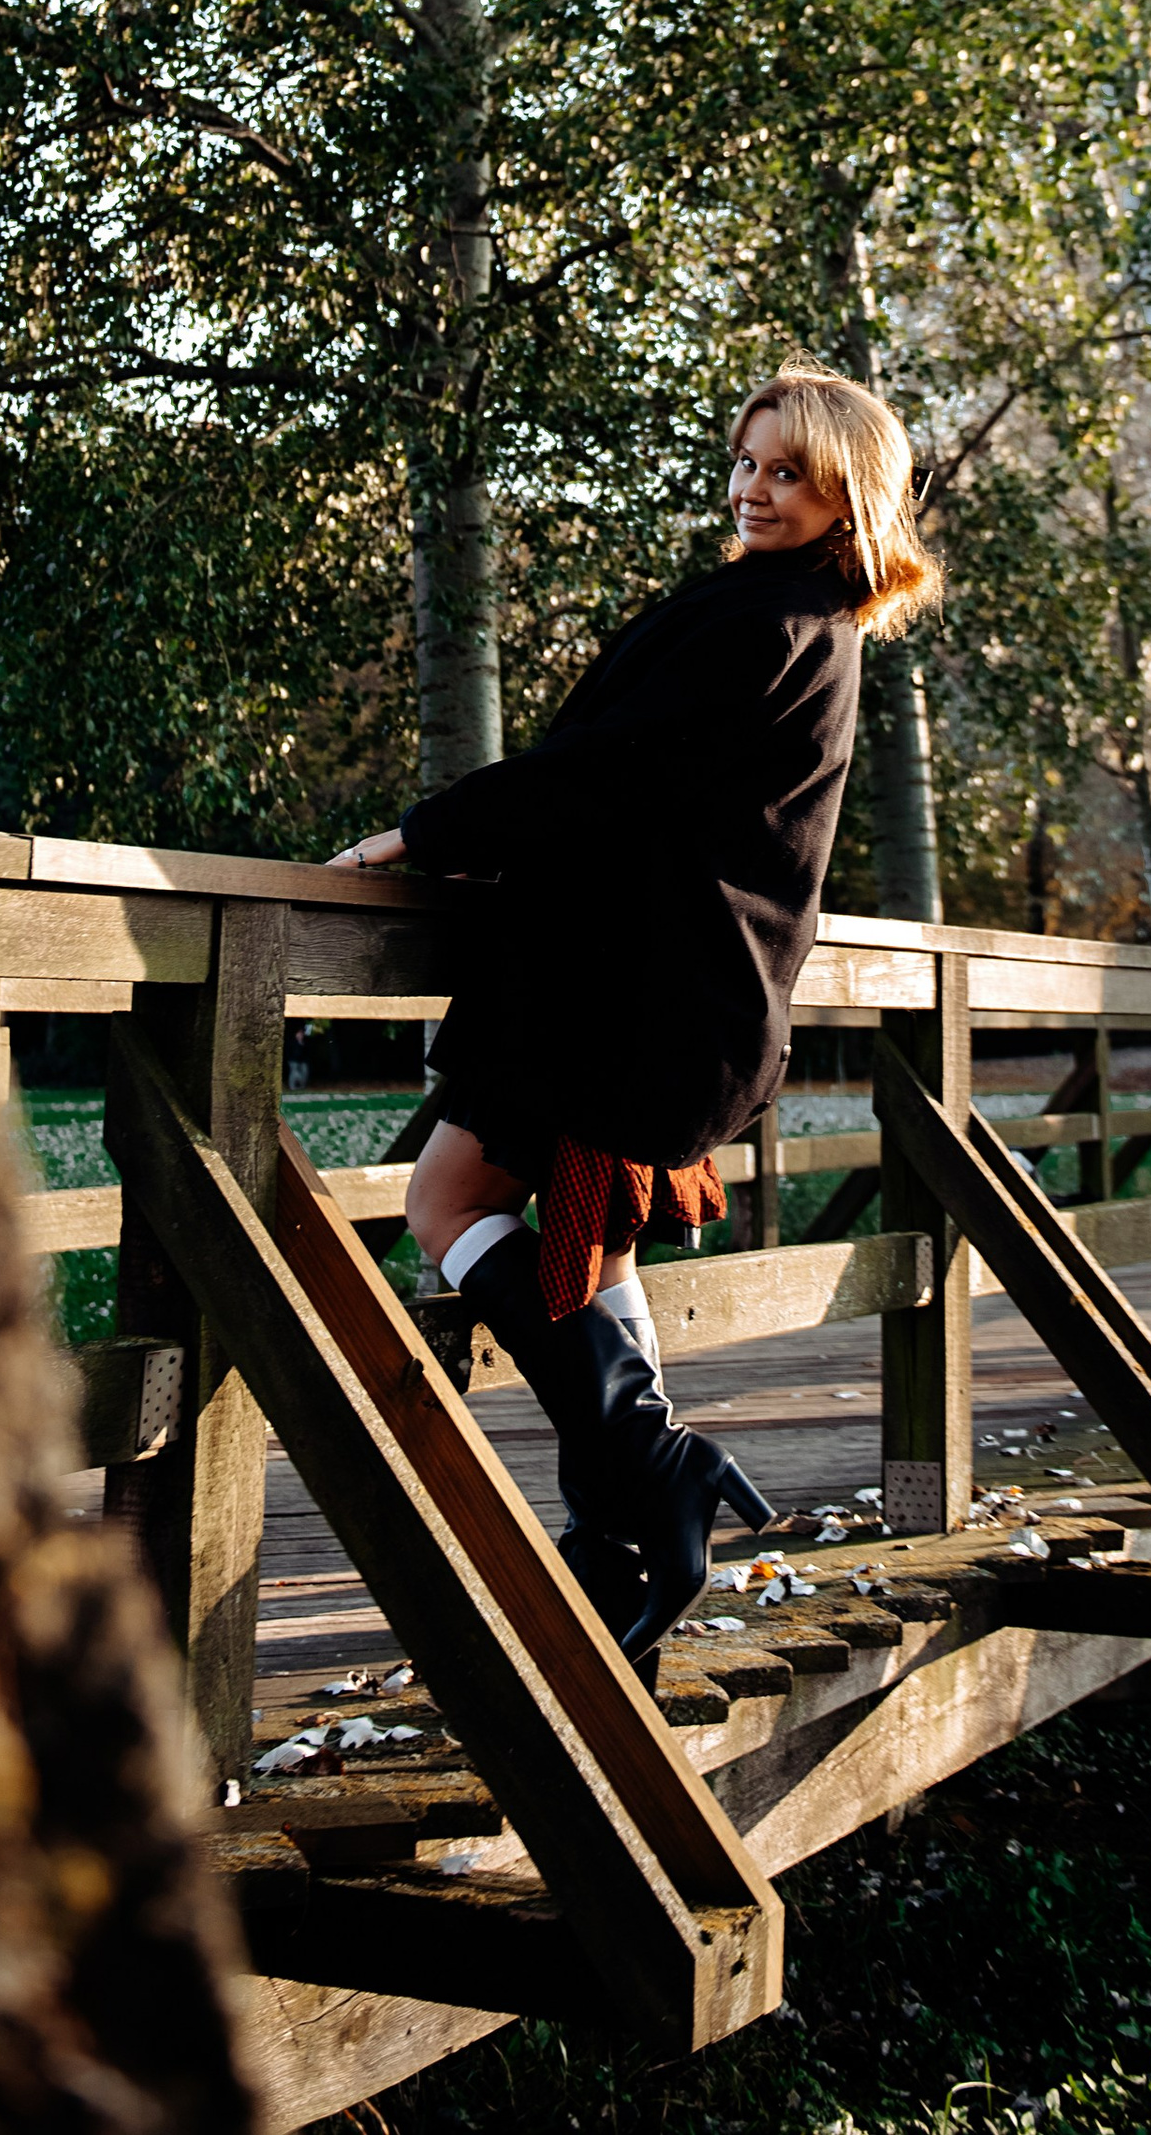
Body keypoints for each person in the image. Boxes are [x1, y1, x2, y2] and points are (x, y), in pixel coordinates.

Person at [331, 365, 940, 1668]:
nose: (754, 487)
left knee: (448, 1205)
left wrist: (423, 835)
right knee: (587, 1257)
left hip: (631, 998)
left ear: (849, 500)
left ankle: (653, 1474)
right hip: (646, 993)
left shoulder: (773, 624)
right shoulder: (789, 620)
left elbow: (602, 780)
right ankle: (619, 1542)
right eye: (746, 461)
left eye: (789, 472)